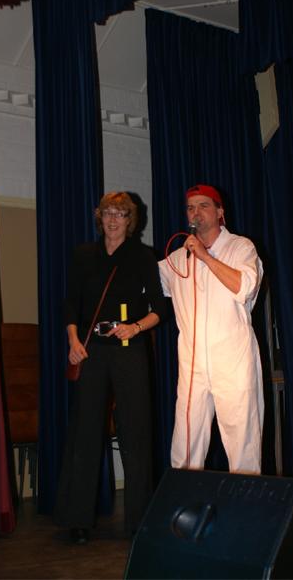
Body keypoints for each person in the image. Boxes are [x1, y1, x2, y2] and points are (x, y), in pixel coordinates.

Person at [53, 191, 167, 544]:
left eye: (120, 214)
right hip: (92, 352)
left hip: (130, 351)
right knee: (85, 432)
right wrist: (74, 341)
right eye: (108, 213)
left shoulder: (143, 256)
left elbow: (160, 308)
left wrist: (135, 327)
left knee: (136, 433)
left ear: (130, 220)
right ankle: (78, 519)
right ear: (99, 217)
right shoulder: (83, 255)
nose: (113, 220)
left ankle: (138, 521)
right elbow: (71, 303)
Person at [159, 184, 264, 474]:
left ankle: (246, 500)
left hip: (233, 360)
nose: (196, 212)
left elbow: (244, 287)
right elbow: (144, 286)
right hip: (193, 365)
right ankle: (183, 499)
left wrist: (205, 257)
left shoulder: (241, 247)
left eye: (204, 205)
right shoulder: (177, 259)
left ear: (220, 212)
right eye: (190, 207)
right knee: (185, 443)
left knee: (242, 440)